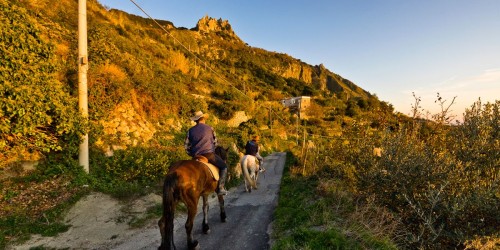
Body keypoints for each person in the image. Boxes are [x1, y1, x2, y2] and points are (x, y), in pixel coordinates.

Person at [185, 111, 228, 195]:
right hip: (209, 155)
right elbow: (215, 143)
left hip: (196, 156)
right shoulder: (210, 128)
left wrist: (192, 154)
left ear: (195, 121)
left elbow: (186, 147)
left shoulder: (190, 131)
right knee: (224, 167)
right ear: (203, 119)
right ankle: (220, 188)